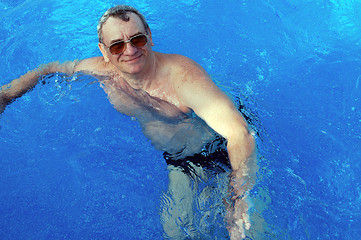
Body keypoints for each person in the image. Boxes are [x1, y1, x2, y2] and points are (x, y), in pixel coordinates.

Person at [0, 5, 258, 239]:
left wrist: (239, 196)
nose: (130, 50)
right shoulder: (101, 70)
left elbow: (238, 134)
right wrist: (5, 96)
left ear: (149, 36)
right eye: (117, 46)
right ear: (104, 51)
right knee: (177, 231)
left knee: (247, 231)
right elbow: (48, 69)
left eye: (137, 39)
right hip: (179, 159)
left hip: (221, 150)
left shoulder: (183, 78)